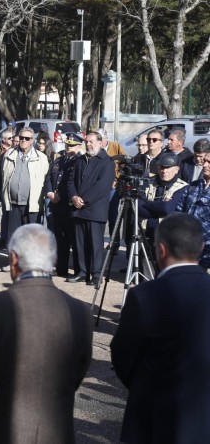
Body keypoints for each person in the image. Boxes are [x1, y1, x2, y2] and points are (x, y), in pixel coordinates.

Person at [0, 224, 92, 444]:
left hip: (2, 432)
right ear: (53, 261)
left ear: (13, 259)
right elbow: (78, 372)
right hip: (58, 433)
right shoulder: (80, 312)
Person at [111, 213, 210, 442]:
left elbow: (123, 357)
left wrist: (144, 385)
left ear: (161, 250)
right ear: (201, 247)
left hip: (153, 417)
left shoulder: (144, 295)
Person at [66, 131, 115, 286]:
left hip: (95, 209)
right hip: (77, 208)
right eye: (87, 142)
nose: (88, 144)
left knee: (95, 245)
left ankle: (96, 274)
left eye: (92, 141)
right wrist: (74, 197)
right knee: (79, 244)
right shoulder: (80, 160)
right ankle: (81, 271)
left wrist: (84, 200)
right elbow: (70, 181)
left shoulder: (106, 162)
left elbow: (102, 186)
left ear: (100, 143)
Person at [0, 126, 49, 250]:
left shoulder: (41, 158)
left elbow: (45, 180)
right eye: (21, 138)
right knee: (14, 237)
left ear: (32, 141)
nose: (23, 140)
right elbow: (3, 176)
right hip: (13, 204)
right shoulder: (8, 155)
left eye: (27, 138)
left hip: (31, 205)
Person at [44, 138, 82, 277]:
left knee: (73, 239)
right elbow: (48, 178)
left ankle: (79, 270)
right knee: (60, 238)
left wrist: (61, 195)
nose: (68, 147)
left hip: (69, 205)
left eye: (72, 145)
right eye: (67, 144)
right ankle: (61, 268)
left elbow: (73, 183)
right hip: (56, 204)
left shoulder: (79, 161)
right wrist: (50, 193)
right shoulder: (59, 160)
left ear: (79, 146)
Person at [138, 152, 188, 246]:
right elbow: (138, 208)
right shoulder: (148, 183)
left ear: (177, 169)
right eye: (161, 167)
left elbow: (167, 209)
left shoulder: (183, 187)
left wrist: (147, 204)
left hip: (168, 238)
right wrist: (159, 208)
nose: (164, 171)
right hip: (144, 234)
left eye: (168, 167)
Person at [176, 151, 210, 271]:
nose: (204, 165)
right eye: (205, 161)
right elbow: (178, 212)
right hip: (189, 249)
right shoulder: (193, 186)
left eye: (209, 162)